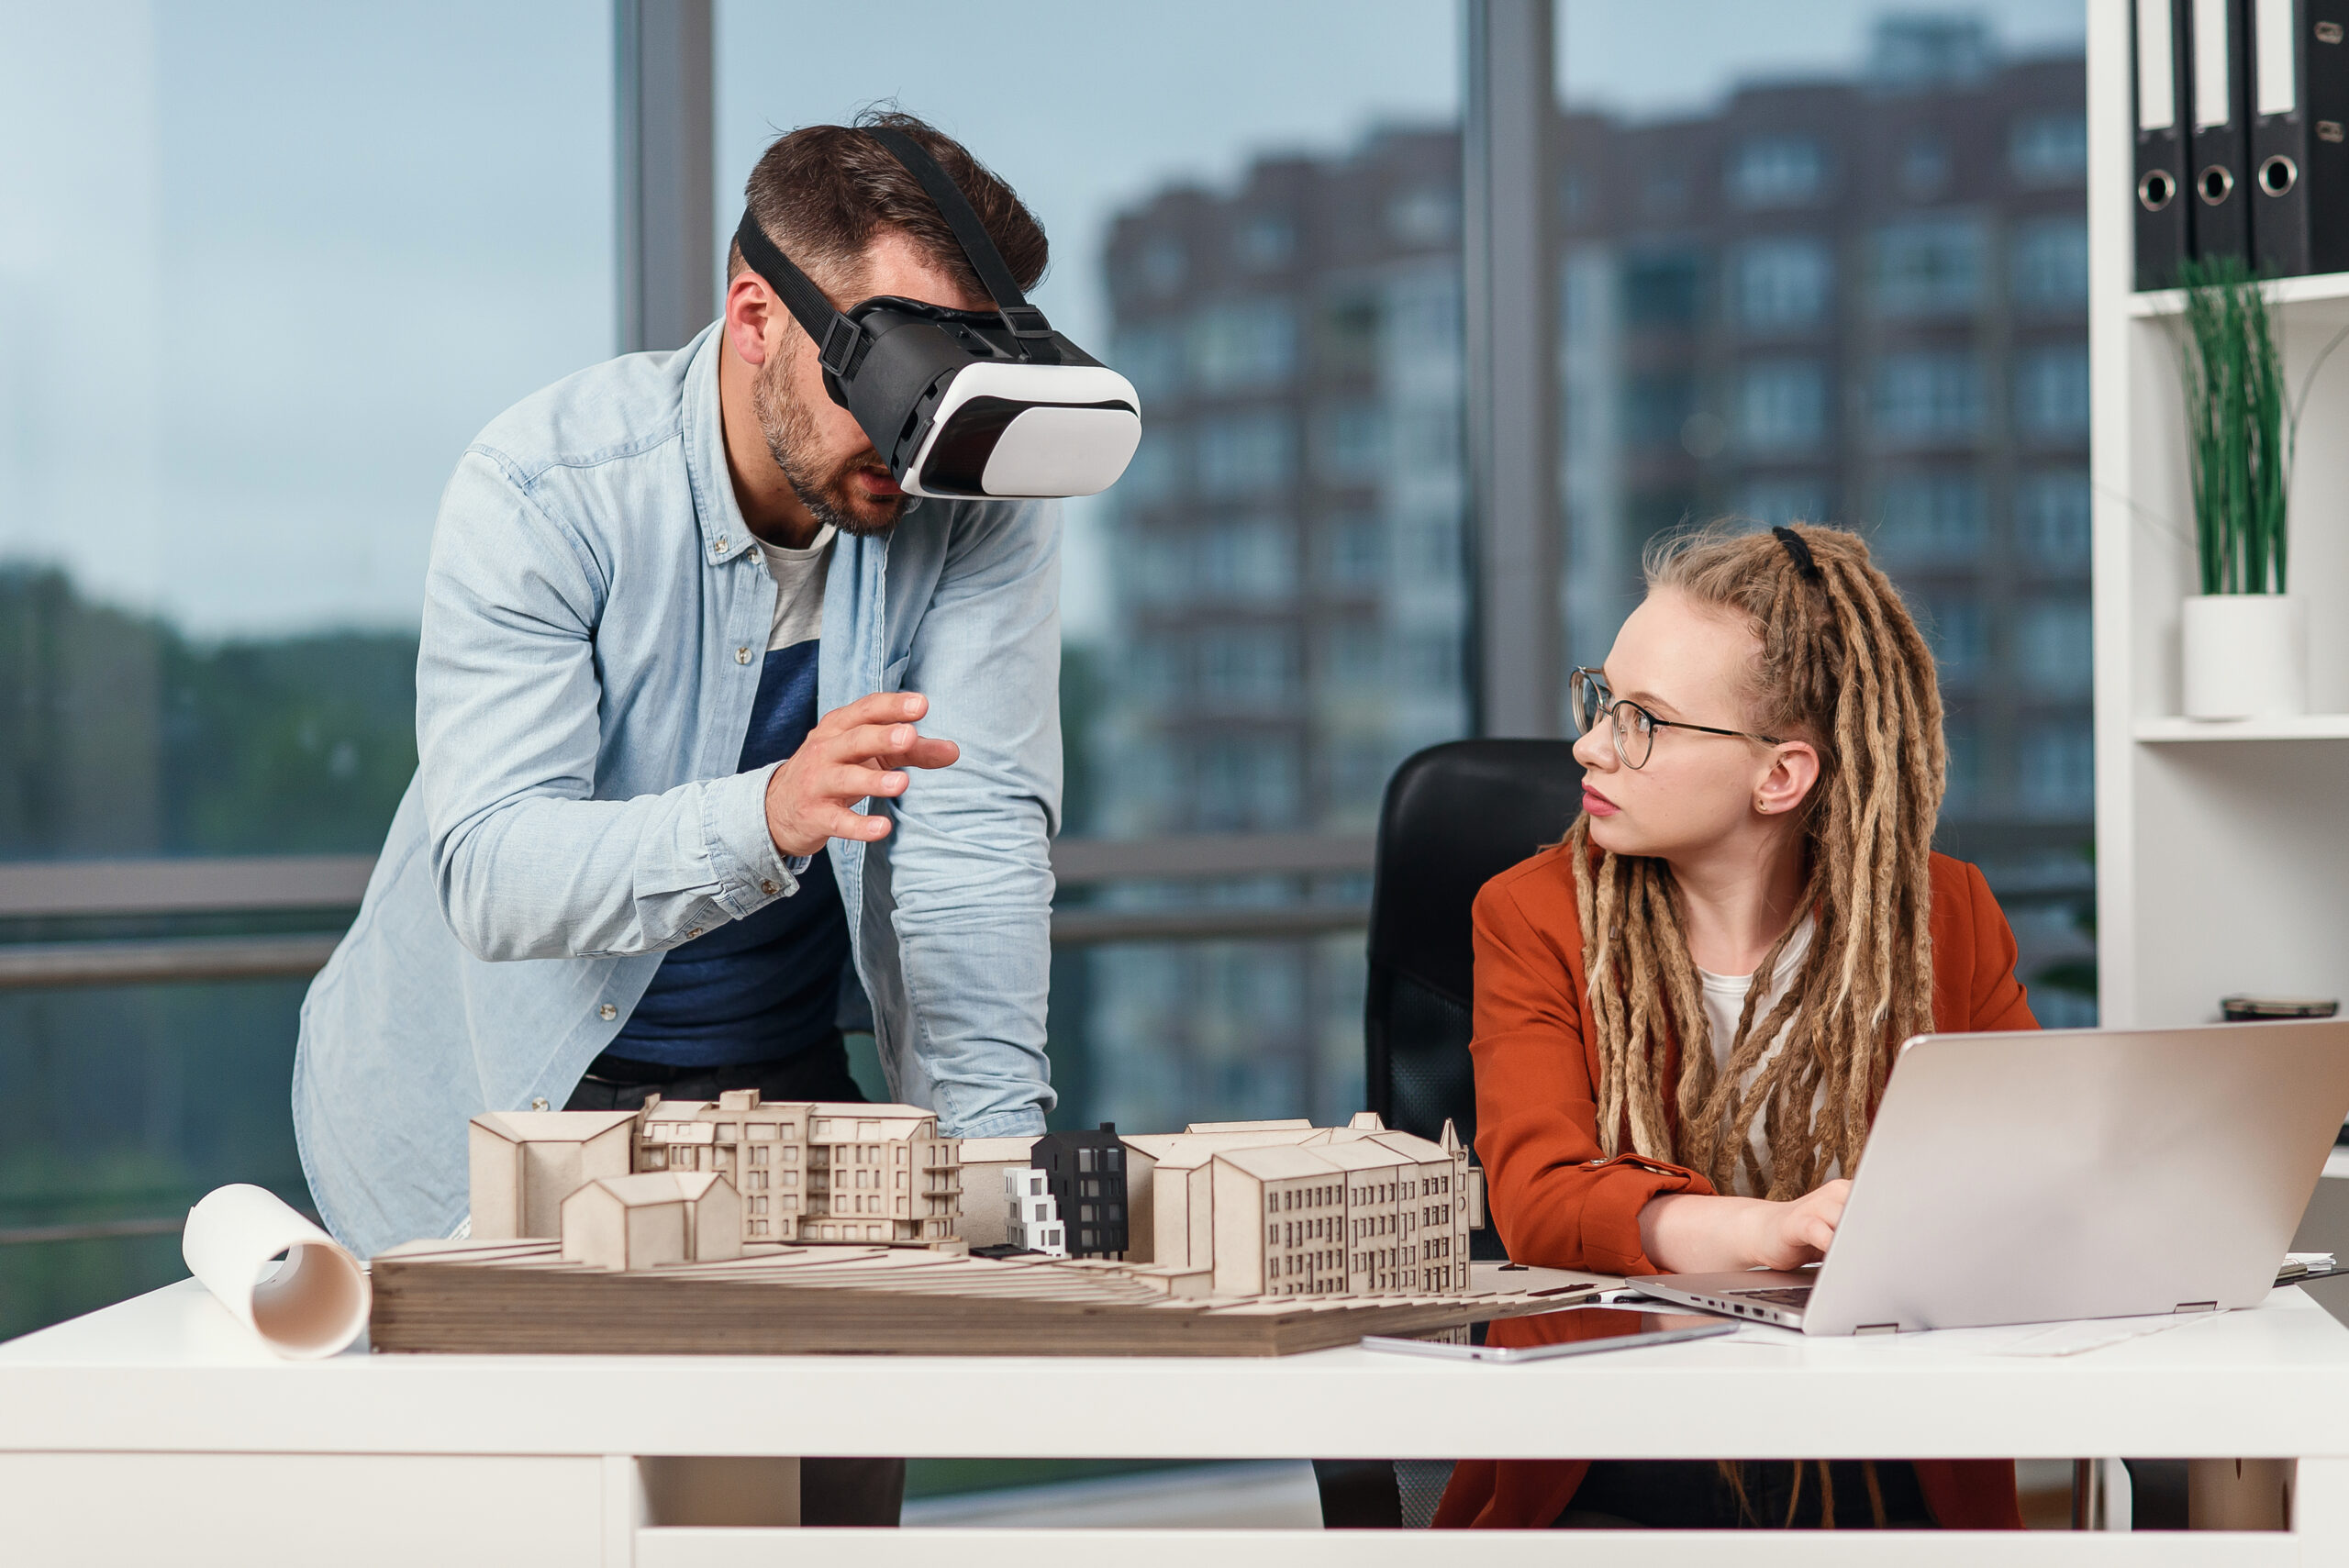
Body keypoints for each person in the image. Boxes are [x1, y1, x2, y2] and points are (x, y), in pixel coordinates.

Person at [294, 113, 1065, 1525]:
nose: (919, 437)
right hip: (502, 1105)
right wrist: (767, 814)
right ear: (759, 314)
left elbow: (977, 856)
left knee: (830, 1506)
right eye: (892, 381)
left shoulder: (962, 499)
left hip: (780, 1088)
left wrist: (999, 1197)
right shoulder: (544, 489)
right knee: (561, 1521)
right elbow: (497, 872)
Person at [1434, 522, 2037, 1532]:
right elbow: (1539, 1196)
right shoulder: (1531, 911)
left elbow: (2027, 1166)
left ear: (1779, 777)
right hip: (1613, 1439)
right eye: (1601, 699)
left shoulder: (1942, 917)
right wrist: (1770, 1227)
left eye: (1644, 721)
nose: (1590, 744)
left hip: (1871, 1436)